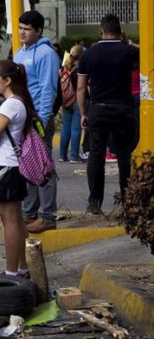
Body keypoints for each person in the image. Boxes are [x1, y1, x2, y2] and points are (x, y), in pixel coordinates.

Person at [77, 14, 139, 215]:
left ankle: (95, 203)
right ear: (120, 32)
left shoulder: (89, 54)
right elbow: (146, 51)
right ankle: (127, 200)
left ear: (100, 31)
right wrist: (128, 42)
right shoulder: (128, 51)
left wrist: (84, 113)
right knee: (123, 156)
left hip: (98, 109)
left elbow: (80, 88)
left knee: (96, 156)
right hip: (123, 109)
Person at [0, 60, 32, 277]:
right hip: (8, 166)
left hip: (6, 167)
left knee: (9, 220)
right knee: (15, 219)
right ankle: (21, 267)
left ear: (8, 80)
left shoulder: (11, 104)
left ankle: (12, 273)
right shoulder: (17, 102)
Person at [13, 10, 60, 233]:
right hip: (23, 118)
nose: (22, 32)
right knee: (27, 166)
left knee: (42, 166)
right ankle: (30, 213)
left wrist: (40, 121)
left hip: (38, 119)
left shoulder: (45, 54)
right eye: (20, 27)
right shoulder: (20, 53)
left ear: (38, 31)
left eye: (27, 29)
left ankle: (48, 215)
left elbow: (47, 89)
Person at [59, 45, 85, 164]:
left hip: (66, 100)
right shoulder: (79, 70)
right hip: (76, 101)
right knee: (75, 128)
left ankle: (62, 154)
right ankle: (74, 155)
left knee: (65, 128)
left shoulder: (65, 68)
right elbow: (81, 88)